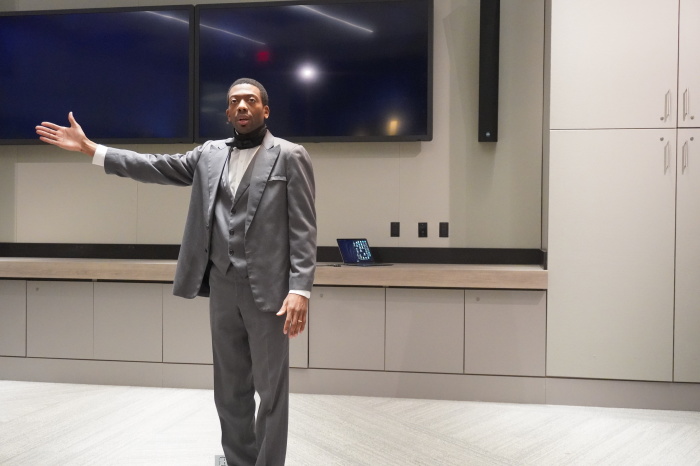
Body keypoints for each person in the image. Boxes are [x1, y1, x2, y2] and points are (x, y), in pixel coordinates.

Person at [36, 77, 317, 466]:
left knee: (271, 393)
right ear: (227, 112)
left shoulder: (290, 155)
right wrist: (91, 150)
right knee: (230, 391)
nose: (241, 106)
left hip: (270, 293)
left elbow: (303, 227)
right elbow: (153, 166)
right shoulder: (209, 155)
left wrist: (300, 288)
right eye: (234, 101)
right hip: (221, 287)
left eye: (250, 100)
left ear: (265, 110)